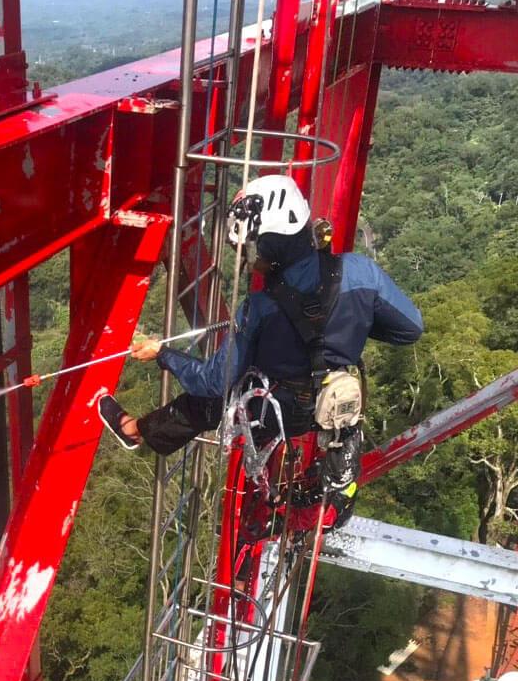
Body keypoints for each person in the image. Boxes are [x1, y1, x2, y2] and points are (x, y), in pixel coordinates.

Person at [98, 176, 423, 479]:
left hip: (276, 412)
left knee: (207, 402)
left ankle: (132, 430)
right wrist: (354, 323)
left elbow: (213, 381)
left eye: (251, 252)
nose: (250, 261)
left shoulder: (260, 308)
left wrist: (163, 354)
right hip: (336, 406)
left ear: (274, 251)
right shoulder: (362, 273)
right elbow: (409, 329)